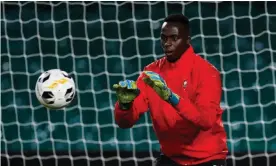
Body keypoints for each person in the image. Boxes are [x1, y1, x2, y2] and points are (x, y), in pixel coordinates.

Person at [113, 14, 228, 166]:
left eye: (174, 38)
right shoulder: (150, 73)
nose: (167, 43)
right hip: (171, 159)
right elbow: (125, 123)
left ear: (187, 40)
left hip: (208, 159)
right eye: (164, 38)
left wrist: (170, 97)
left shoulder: (207, 72)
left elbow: (206, 120)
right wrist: (124, 106)